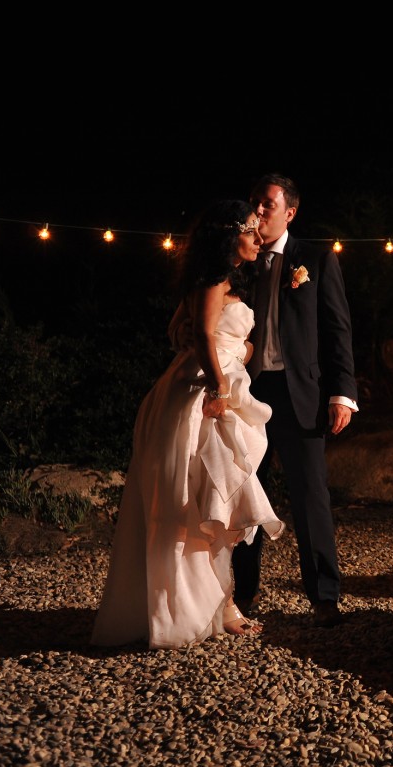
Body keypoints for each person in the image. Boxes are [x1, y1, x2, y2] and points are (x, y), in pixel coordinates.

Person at [91, 199, 284, 649]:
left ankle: (218, 602)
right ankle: (203, 606)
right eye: (250, 230)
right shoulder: (213, 279)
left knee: (217, 498)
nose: (258, 238)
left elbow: (180, 331)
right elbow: (197, 334)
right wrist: (219, 388)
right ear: (228, 237)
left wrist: (240, 350)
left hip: (210, 382)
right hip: (204, 395)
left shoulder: (216, 280)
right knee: (206, 496)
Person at [231, 173, 358, 629]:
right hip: (247, 392)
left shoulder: (316, 259)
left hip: (299, 393)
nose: (258, 210)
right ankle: (241, 593)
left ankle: (324, 596)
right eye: (255, 202)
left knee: (310, 496)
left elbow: (337, 330)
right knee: (245, 493)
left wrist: (343, 393)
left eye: (268, 203)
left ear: (290, 212)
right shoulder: (241, 261)